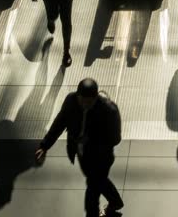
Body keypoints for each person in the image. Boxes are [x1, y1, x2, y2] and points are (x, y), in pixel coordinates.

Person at [35, 78, 124, 217]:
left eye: (89, 102)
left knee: (92, 193)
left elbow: (115, 139)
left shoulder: (109, 110)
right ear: (78, 96)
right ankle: (115, 202)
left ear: (96, 98)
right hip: (82, 154)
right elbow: (60, 122)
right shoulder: (71, 101)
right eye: (82, 101)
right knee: (98, 180)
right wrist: (45, 145)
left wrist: (91, 139)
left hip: (101, 157)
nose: (85, 105)